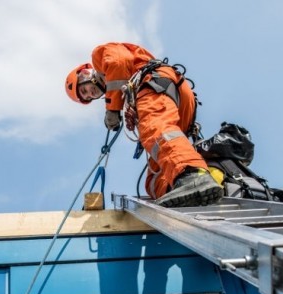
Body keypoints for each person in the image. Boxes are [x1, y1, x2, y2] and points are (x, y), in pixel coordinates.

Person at [65, 42, 223, 208]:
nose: (90, 94)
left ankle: (193, 175)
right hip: (176, 100)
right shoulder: (120, 90)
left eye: (84, 90)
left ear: (84, 74)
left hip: (155, 84)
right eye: (88, 97)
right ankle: (202, 184)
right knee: (154, 180)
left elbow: (118, 61)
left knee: (155, 130)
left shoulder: (99, 57)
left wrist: (112, 109)